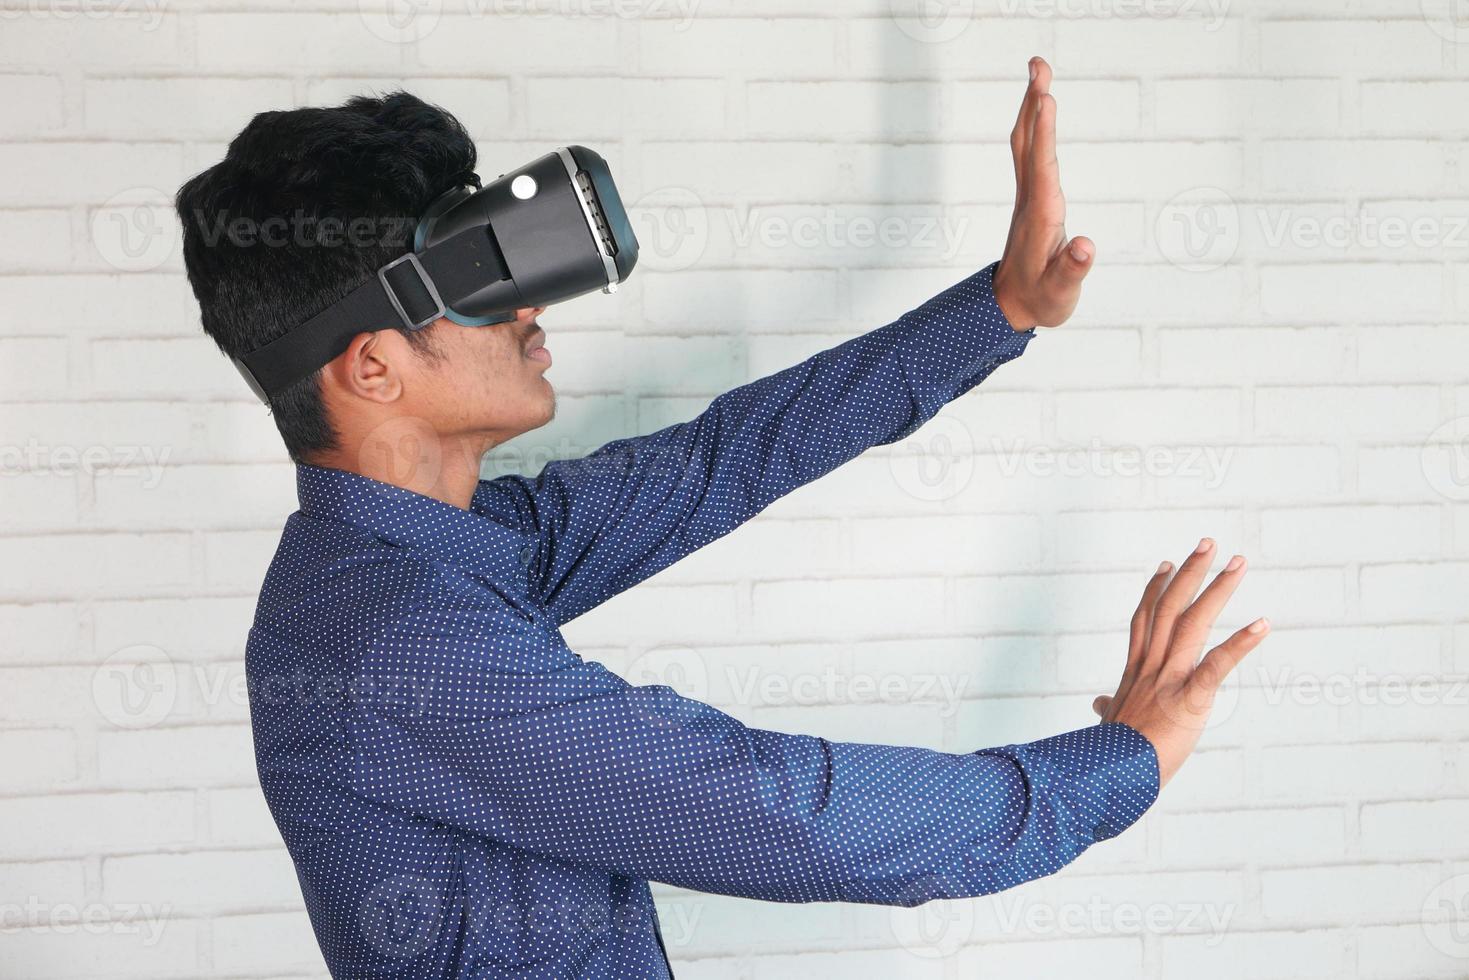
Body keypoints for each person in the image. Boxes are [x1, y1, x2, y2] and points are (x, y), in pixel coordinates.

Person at [175, 57, 1269, 979]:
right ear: (370, 367)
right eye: (472, 283)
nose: (528, 305)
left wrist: (997, 310)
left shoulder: (423, 553)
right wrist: (1119, 762)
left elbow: (720, 460)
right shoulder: (400, 638)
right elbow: (783, 814)